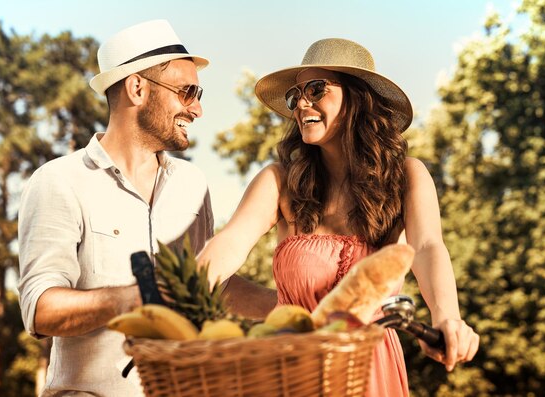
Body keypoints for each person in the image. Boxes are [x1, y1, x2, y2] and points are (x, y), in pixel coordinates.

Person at [197, 38, 479, 396]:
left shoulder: (407, 176)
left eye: (315, 89)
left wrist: (447, 318)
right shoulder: (280, 180)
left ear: (358, 98)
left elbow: (427, 248)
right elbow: (229, 243)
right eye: (295, 95)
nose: (301, 103)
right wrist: (183, 294)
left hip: (371, 370)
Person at [17, 20, 273, 396]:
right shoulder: (58, 181)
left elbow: (207, 285)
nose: (198, 109)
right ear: (137, 88)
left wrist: (285, 304)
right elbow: (40, 309)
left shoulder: (192, 184)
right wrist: (139, 297)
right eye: (188, 92)